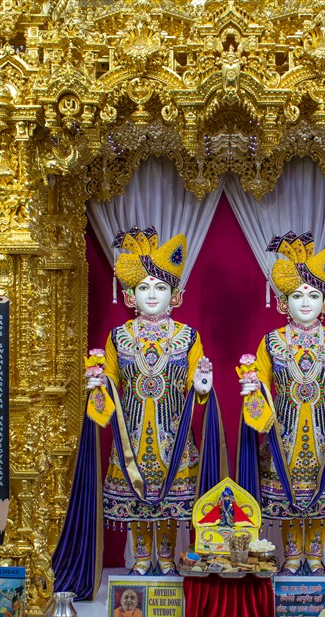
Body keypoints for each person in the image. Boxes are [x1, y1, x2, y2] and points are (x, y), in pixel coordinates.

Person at [54, 226, 225, 594]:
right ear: (130, 295)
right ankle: (142, 559)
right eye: (144, 288)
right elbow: (111, 383)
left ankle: (166, 558)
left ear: (175, 295)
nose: (152, 295)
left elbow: (198, 385)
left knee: (170, 504)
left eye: (160, 288)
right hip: (130, 436)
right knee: (136, 500)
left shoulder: (188, 337)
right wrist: (98, 385)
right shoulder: (119, 337)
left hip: (173, 440)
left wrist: (202, 387)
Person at [239, 231, 325, 574]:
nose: (305, 302)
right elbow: (259, 387)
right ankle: (293, 558)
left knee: (321, 498)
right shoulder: (271, 342)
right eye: (297, 295)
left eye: (313, 295)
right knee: (288, 497)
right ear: (284, 302)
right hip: (284, 438)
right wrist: (251, 390)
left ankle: (315, 557)